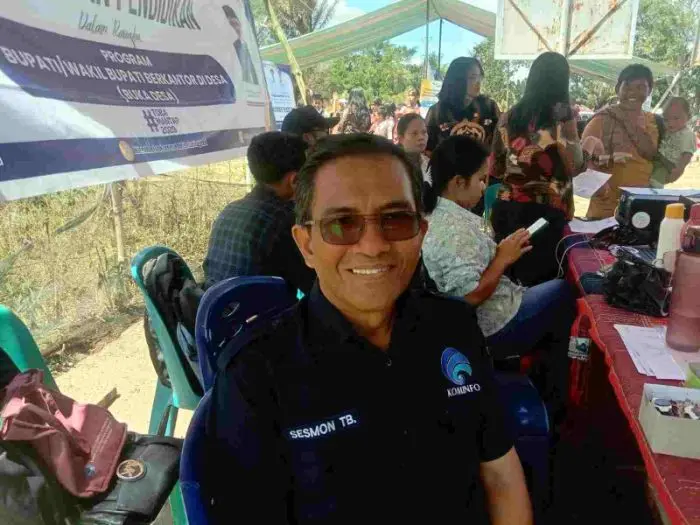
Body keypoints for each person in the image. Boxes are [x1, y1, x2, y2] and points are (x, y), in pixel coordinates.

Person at [204, 134, 532, 525]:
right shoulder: (256, 373)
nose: (373, 246)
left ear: (421, 233)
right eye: (342, 223)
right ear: (306, 245)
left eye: (395, 219)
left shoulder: (454, 326)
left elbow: (499, 472)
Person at [422, 135, 575, 422]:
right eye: (481, 180)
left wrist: (502, 251)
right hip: (491, 325)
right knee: (562, 292)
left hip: (494, 306)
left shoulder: (443, 215)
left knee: (553, 290)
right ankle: (555, 395)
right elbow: (469, 297)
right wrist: (502, 258)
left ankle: (545, 380)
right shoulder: (452, 229)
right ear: (458, 182)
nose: (484, 187)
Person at [489, 52, 583, 286]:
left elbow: (496, 166)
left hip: (507, 208)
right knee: (542, 285)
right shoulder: (562, 114)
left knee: (508, 281)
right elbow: (574, 163)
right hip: (546, 213)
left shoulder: (509, 115)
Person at [203, 132, 315, 293]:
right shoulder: (285, 220)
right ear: (294, 180)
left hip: (213, 307)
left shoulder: (229, 210)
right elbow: (314, 285)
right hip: (262, 308)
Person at [581, 64, 660, 218]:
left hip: (642, 208)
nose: (633, 92)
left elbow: (654, 158)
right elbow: (582, 162)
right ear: (618, 89)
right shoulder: (602, 120)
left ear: (649, 90)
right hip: (605, 211)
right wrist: (601, 189)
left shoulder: (654, 122)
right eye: (628, 86)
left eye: (640, 87)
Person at [425, 57, 501, 153]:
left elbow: (500, 144)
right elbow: (428, 149)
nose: (478, 82)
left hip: (484, 162)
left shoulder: (489, 107)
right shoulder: (437, 112)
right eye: (472, 78)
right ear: (457, 80)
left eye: (479, 77)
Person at [650, 97, 696, 188]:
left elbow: (687, 154)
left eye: (676, 118)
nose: (671, 123)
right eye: (666, 119)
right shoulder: (669, 130)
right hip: (659, 158)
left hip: (669, 164)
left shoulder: (687, 134)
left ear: (688, 117)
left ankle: (654, 192)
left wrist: (680, 169)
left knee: (656, 179)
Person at [222, 5, 259, 85]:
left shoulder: (248, 49)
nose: (235, 29)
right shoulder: (223, 53)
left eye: (235, 24)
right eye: (230, 25)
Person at [397, 112, 430, 183]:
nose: (421, 137)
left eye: (424, 132)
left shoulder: (428, 163)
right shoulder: (393, 167)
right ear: (401, 138)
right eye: (414, 133)